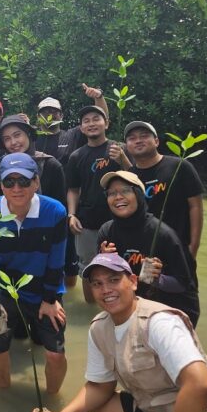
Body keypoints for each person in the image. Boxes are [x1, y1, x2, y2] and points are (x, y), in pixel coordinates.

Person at [36, 253, 207, 412]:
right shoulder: (100, 327)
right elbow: (100, 386)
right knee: (103, 405)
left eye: (114, 280)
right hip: (156, 410)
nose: (106, 290)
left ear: (133, 282)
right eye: (97, 284)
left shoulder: (159, 322)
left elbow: (199, 384)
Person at [0, 153, 69, 396]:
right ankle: (5, 397)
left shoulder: (55, 211)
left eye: (24, 181)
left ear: (36, 182)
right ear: (1, 185)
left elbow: (57, 260)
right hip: (7, 290)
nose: (16, 188)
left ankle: (52, 401)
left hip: (44, 289)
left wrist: (50, 300)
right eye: (9, 182)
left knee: (55, 353)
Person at [96, 171, 200, 326]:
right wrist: (103, 261)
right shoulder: (106, 232)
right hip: (130, 309)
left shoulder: (163, 234)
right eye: (111, 193)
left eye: (125, 191)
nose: (118, 197)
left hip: (169, 312)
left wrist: (159, 279)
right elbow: (101, 281)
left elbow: (183, 284)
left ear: (138, 195)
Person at [65, 105, 130, 303]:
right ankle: (92, 310)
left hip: (119, 220)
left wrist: (122, 159)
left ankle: (121, 307)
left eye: (96, 119)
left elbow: (136, 178)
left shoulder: (119, 149)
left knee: (120, 266)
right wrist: (71, 215)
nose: (91, 123)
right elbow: (73, 190)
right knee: (88, 268)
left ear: (106, 123)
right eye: (86, 121)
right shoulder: (76, 156)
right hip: (87, 220)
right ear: (82, 128)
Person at [124, 121, 205, 261]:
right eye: (132, 138)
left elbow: (196, 206)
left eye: (144, 136)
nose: (138, 141)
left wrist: (194, 246)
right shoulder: (129, 176)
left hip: (177, 248)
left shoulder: (180, 166)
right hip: (141, 252)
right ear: (127, 146)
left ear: (156, 141)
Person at [0, 115, 67, 205]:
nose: (13, 142)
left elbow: (60, 205)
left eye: (17, 135)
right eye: (7, 139)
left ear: (28, 133)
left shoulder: (50, 165)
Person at [32, 84, 109, 166]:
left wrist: (99, 97)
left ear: (61, 116)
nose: (50, 114)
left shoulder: (73, 135)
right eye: (45, 111)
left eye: (54, 111)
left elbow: (100, 121)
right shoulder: (32, 138)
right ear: (38, 117)